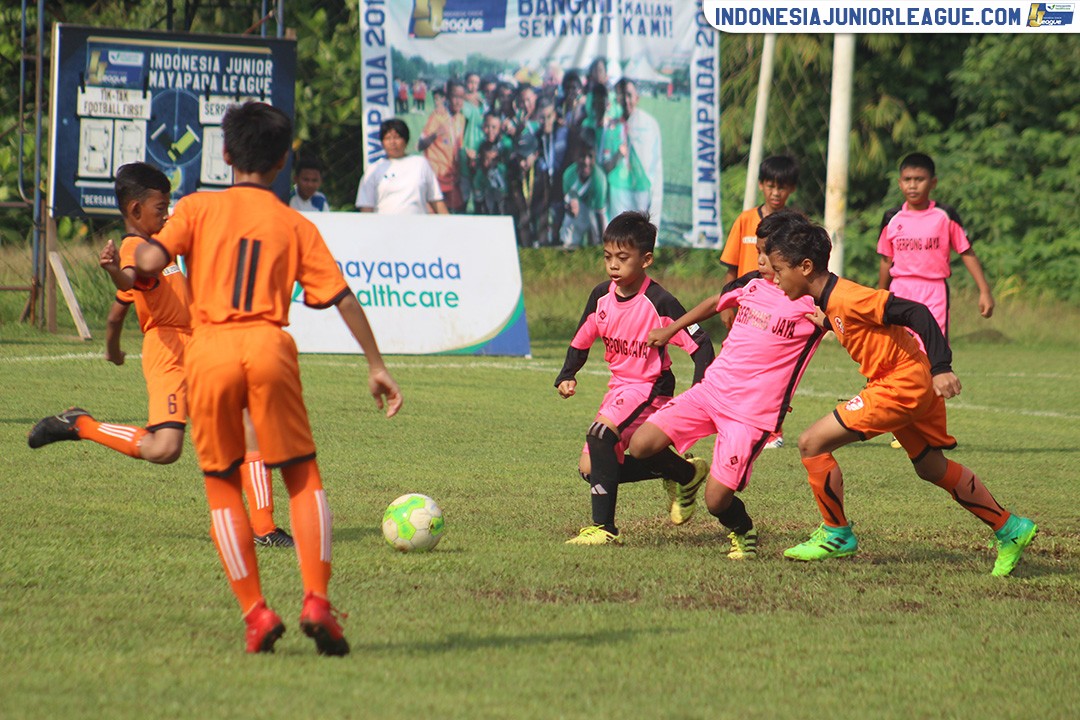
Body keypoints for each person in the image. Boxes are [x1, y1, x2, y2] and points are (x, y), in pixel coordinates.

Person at [134, 101, 403, 654]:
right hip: (268, 344)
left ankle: (256, 614)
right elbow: (342, 297)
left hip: (208, 350)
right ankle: (317, 601)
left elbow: (151, 261)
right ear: (283, 163)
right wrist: (376, 365)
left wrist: (141, 260)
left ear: (226, 153)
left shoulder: (197, 208)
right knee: (302, 476)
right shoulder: (295, 223)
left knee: (221, 483)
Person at [27, 161, 294, 548]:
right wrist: (114, 271)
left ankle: (263, 527)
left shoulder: (162, 246)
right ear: (135, 210)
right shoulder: (134, 247)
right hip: (167, 351)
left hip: (201, 343)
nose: (166, 214)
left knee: (246, 419)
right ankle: (81, 425)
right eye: (160, 208)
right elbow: (129, 279)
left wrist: (113, 350)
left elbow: (117, 312)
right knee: (165, 449)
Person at [764, 217, 1037, 576]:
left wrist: (942, 366)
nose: (775, 278)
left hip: (901, 384)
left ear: (805, 267)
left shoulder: (847, 297)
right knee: (931, 467)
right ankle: (1010, 528)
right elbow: (861, 325)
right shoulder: (832, 301)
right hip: (911, 380)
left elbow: (916, 312)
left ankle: (836, 534)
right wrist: (828, 322)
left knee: (811, 443)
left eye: (779, 269)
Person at [628, 211, 826, 559]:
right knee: (641, 444)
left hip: (750, 414)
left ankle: (743, 530)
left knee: (716, 501)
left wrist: (833, 323)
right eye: (759, 252)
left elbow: (854, 322)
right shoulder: (753, 284)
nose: (761, 261)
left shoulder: (812, 300)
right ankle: (687, 475)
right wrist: (671, 329)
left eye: (768, 254)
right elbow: (714, 303)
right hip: (711, 392)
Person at [555, 211, 716, 545]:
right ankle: (684, 472)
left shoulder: (659, 301)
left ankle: (604, 529)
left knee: (600, 435)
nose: (613, 265)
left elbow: (700, 343)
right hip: (620, 388)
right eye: (607, 257)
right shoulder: (601, 295)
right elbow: (581, 338)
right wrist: (567, 373)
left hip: (651, 387)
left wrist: (700, 392)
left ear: (646, 260)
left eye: (622, 258)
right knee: (590, 469)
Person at [718, 155, 799, 450]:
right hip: (747, 310)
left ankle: (772, 431)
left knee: (773, 373)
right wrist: (727, 304)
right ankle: (738, 423)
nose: (776, 192)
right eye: (771, 185)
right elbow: (731, 267)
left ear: (791, 189)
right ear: (761, 185)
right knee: (740, 370)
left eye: (782, 187)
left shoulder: (795, 224)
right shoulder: (745, 220)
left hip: (780, 310)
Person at [878, 152, 995, 340]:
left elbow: (966, 252)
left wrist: (984, 291)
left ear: (933, 183)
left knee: (933, 347)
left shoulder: (945, 215)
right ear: (900, 183)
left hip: (934, 291)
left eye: (919, 179)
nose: (913, 185)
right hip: (900, 289)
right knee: (900, 347)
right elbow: (886, 259)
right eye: (907, 179)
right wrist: (880, 296)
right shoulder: (892, 218)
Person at [356, 118, 448, 215]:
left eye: (397, 137)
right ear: (382, 142)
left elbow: (436, 199)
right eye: (387, 138)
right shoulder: (374, 169)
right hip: (384, 224)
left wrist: (450, 223)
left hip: (417, 223)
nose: (392, 142)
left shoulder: (420, 163)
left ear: (405, 140)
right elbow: (366, 207)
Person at [605, 79, 654, 223]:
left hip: (641, 189)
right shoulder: (612, 128)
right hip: (618, 189)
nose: (626, 101)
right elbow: (606, 164)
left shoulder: (648, 126)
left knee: (640, 230)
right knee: (620, 231)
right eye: (621, 96)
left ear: (637, 98)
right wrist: (618, 155)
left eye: (629, 95)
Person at [419, 79, 468, 212]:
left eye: (461, 97)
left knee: (456, 211)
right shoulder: (437, 117)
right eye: (455, 97)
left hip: (452, 177)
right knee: (435, 215)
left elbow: (458, 148)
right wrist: (434, 134)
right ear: (448, 97)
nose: (458, 101)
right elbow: (420, 145)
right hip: (436, 177)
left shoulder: (461, 119)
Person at [560, 138, 607, 248]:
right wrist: (570, 209)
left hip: (594, 211)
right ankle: (570, 247)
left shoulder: (599, 179)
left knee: (596, 225)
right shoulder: (568, 175)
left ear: (595, 157)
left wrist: (602, 243)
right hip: (579, 209)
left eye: (590, 156)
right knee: (569, 222)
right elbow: (567, 203)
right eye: (582, 156)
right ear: (576, 157)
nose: (586, 162)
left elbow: (599, 214)